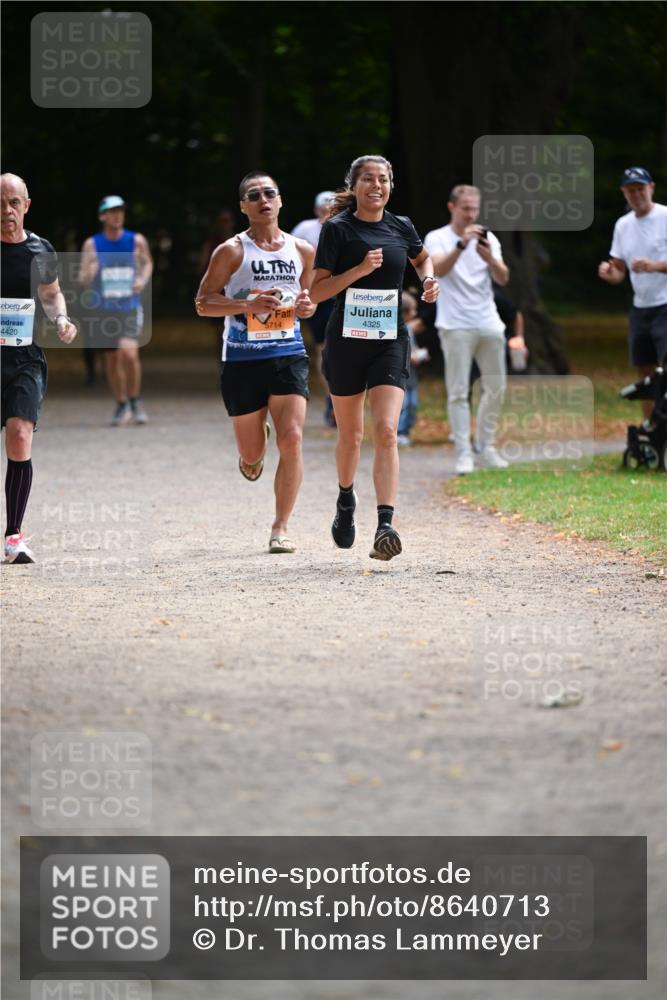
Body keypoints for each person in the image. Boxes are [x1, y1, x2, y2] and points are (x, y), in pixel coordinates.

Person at [310, 154, 439, 561]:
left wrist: (429, 278)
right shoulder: (337, 230)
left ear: (390, 185)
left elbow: (421, 258)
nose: (377, 186)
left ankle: (385, 523)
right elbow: (316, 293)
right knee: (352, 435)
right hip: (346, 342)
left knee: (386, 430)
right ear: (355, 185)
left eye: (383, 179)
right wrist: (359, 271)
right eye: (368, 179)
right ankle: (346, 499)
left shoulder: (401, 226)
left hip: (389, 339)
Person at [195, 170, 316, 554]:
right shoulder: (231, 251)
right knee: (251, 458)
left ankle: (280, 527)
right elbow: (203, 303)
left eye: (270, 193)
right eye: (254, 195)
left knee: (293, 439)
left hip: (288, 353)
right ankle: (254, 448)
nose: (263, 199)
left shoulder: (302, 251)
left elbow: (308, 301)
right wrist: (246, 305)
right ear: (244, 207)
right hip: (243, 359)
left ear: (280, 201)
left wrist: (308, 306)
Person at [1, 173, 77, 563]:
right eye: (1, 203)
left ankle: (13, 536)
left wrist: (61, 318)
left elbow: (51, 294)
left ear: (26, 206)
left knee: (19, 435)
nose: (7, 211)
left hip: (24, 357)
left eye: (14, 203)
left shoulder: (40, 249)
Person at [424, 184, 510, 474]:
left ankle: (485, 446)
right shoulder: (437, 237)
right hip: (455, 324)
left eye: (475, 209)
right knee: (459, 391)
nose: (471, 214)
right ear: (452, 207)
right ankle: (464, 453)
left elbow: (503, 278)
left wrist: (490, 259)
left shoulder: (489, 238)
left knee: (496, 388)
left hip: (489, 321)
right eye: (466, 209)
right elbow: (437, 269)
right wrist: (461, 245)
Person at [598, 167, 667, 420]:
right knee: (645, 371)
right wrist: (609, 273)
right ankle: (651, 427)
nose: (636, 195)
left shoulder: (664, 217)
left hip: (665, 303)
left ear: (651, 187)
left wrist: (656, 266)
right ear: (624, 193)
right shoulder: (623, 225)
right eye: (630, 191)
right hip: (641, 308)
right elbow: (619, 270)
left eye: (640, 189)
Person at [79, 196, 153, 426]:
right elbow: (82, 279)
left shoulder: (136, 240)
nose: (117, 215)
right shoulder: (92, 244)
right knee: (111, 360)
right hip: (104, 310)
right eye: (111, 211)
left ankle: (135, 400)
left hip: (129, 306)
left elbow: (148, 262)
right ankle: (121, 404)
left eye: (120, 210)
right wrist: (92, 270)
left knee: (129, 354)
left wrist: (141, 279)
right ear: (102, 216)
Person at [291, 191, 337, 426]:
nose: (327, 213)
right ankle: (332, 399)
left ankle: (340, 398)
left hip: (339, 293)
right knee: (323, 347)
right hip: (315, 292)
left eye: (332, 208)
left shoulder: (346, 227)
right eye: (323, 208)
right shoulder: (303, 230)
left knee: (338, 347)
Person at [397, 290, 430, 446]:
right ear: (404, 312)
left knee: (412, 404)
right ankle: (399, 432)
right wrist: (411, 357)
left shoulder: (410, 329)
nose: (416, 313)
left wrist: (419, 354)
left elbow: (412, 347)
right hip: (400, 375)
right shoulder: (396, 329)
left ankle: (406, 431)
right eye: (413, 310)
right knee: (402, 405)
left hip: (412, 377)